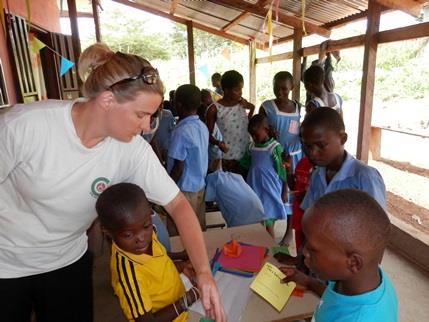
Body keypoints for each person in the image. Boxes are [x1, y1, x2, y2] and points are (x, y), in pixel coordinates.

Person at [0, 43, 225, 322]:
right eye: (141, 115)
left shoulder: (130, 149)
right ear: (107, 101)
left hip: (67, 259)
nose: (146, 127)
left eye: (152, 117)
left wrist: (203, 274)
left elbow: (178, 204)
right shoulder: (25, 127)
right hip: (6, 263)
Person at [280, 189, 398, 322]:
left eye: (313, 249)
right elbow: (336, 298)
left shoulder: (360, 318)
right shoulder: (360, 280)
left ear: (353, 263)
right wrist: (309, 282)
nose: (304, 252)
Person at [95, 183, 200, 322]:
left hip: (180, 308)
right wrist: (190, 298)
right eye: (128, 235)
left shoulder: (144, 234)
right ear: (108, 232)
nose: (141, 238)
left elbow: (160, 258)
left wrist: (181, 260)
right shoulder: (128, 275)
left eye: (146, 226)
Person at [300, 107, 386, 211]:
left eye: (321, 145)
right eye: (308, 146)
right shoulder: (317, 175)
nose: (312, 153)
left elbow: (378, 223)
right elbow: (309, 213)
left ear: (343, 139)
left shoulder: (365, 177)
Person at [260, 71, 303, 243]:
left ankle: (288, 232)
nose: (280, 92)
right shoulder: (267, 106)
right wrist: (270, 133)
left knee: (292, 193)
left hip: (293, 156)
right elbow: (259, 127)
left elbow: (300, 128)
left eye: (284, 89)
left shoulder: (298, 107)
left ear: (292, 87)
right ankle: (269, 228)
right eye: (276, 88)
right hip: (273, 155)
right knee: (272, 192)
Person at [167, 84, 209, 233]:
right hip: (199, 187)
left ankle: (183, 257)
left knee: (180, 231)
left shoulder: (181, 131)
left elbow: (178, 166)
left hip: (184, 190)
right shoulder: (202, 126)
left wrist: (166, 188)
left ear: (178, 104)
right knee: (197, 228)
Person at [240, 114, 288, 237]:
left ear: (266, 130)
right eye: (252, 135)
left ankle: (270, 247)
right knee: (258, 215)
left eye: (256, 135)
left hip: (270, 187)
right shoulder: (251, 146)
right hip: (254, 186)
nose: (254, 138)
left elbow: (283, 171)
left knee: (268, 217)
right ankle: (262, 245)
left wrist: (285, 191)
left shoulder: (274, 148)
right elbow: (245, 163)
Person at [206, 70, 255, 174]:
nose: (240, 92)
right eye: (237, 90)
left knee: (245, 185)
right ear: (226, 90)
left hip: (245, 153)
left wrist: (248, 120)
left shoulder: (241, 103)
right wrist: (218, 143)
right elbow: (207, 135)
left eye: (241, 89)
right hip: (227, 157)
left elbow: (252, 107)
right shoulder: (214, 109)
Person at [199, 89, 224, 172]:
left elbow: (208, 135)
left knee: (215, 174)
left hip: (215, 153)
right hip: (213, 152)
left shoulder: (209, 117)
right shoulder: (206, 118)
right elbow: (208, 136)